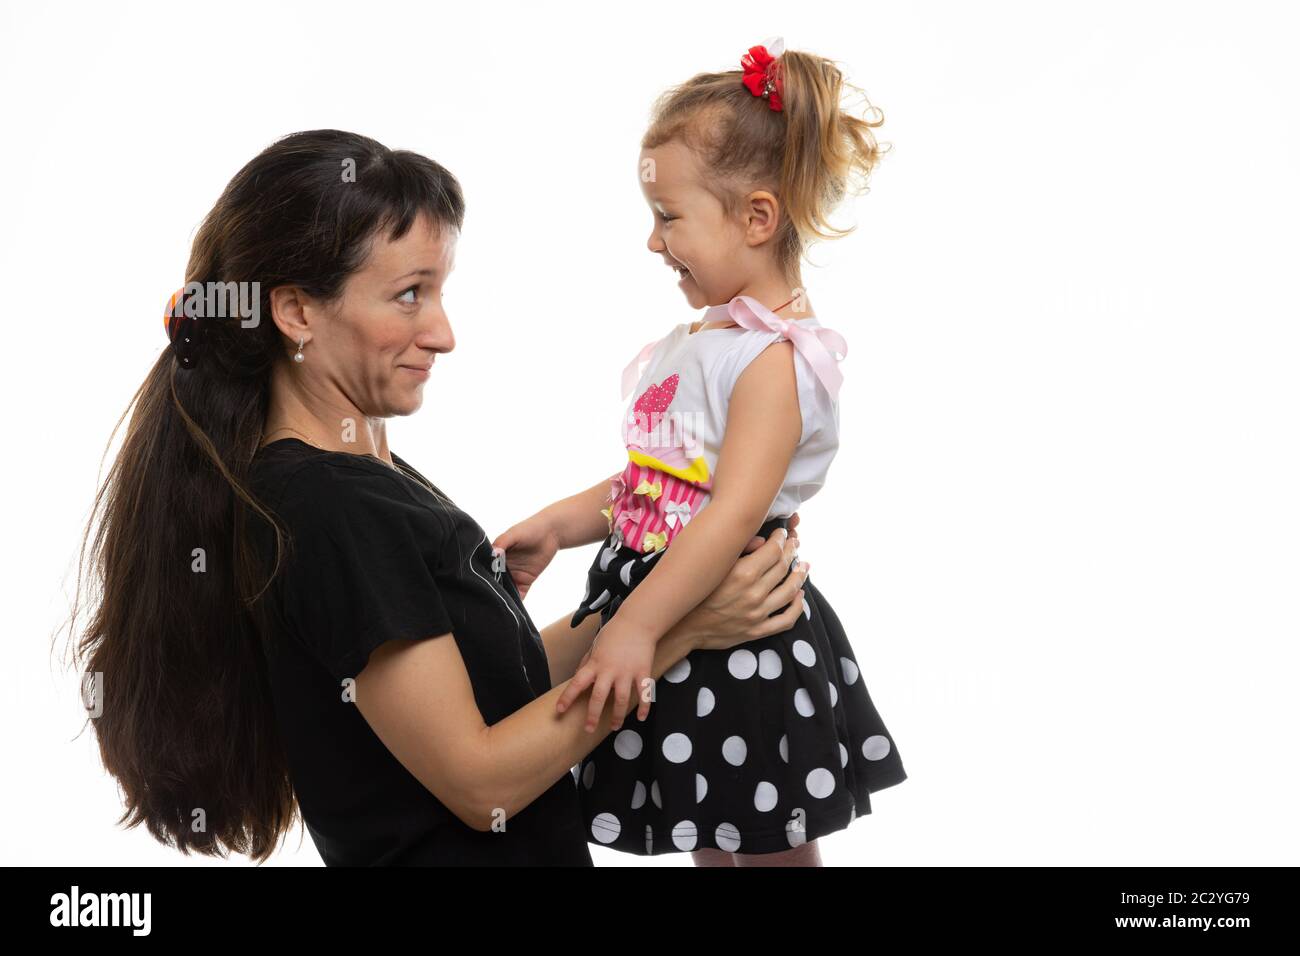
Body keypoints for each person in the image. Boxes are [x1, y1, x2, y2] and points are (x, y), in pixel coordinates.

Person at [65, 129, 809, 866]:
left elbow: (491, 697)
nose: (444, 333)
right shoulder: (329, 507)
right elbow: (479, 780)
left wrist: (656, 610)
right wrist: (676, 636)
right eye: (409, 296)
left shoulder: (360, 476)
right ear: (295, 314)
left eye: (439, 293)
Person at [491, 39, 907, 867]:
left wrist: (635, 630)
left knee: (766, 843)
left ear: (757, 217)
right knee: (707, 830)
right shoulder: (709, 338)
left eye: (669, 218)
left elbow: (732, 511)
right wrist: (562, 524)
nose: (654, 242)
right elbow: (658, 482)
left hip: (736, 631)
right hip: (673, 613)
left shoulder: (774, 357)